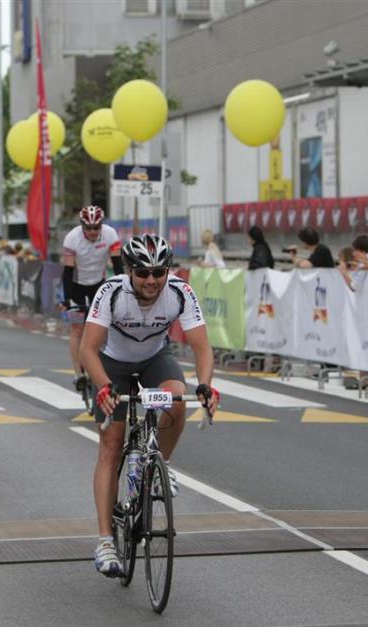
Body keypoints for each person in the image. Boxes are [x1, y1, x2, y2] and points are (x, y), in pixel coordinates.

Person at [79, 234, 220, 577]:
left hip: (155, 357)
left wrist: (205, 386)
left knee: (177, 401)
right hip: (112, 363)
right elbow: (88, 349)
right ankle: (105, 541)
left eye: (159, 272)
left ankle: (162, 465)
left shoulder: (179, 291)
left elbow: (202, 346)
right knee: (111, 446)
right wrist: (104, 386)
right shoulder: (111, 292)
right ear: (129, 271)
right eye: (143, 273)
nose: (152, 280)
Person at [61, 205, 123, 392]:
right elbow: (67, 272)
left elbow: (118, 265)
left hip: (99, 284)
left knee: (102, 328)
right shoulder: (72, 238)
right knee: (77, 329)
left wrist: (123, 289)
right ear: (82, 226)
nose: (93, 231)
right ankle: (78, 374)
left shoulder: (110, 234)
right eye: (88, 228)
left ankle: (101, 365)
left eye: (96, 227)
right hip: (77, 285)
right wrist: (67, 299)